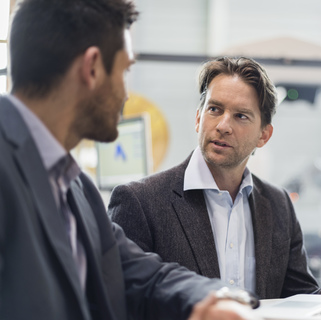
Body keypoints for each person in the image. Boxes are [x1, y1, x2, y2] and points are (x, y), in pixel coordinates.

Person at [0, 1, 259, 319]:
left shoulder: (76, 186)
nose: (126, 93)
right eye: (124, 70)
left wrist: (217, 298)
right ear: (92, 68)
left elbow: (143, 273)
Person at [109, 56, 321, 299]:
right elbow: (124, 302)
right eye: (214, 109)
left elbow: (298, 298)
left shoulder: (278, 204)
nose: (223, 125)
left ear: (264, 135)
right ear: (199, 118)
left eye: (240, 116)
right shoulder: (140, 202)